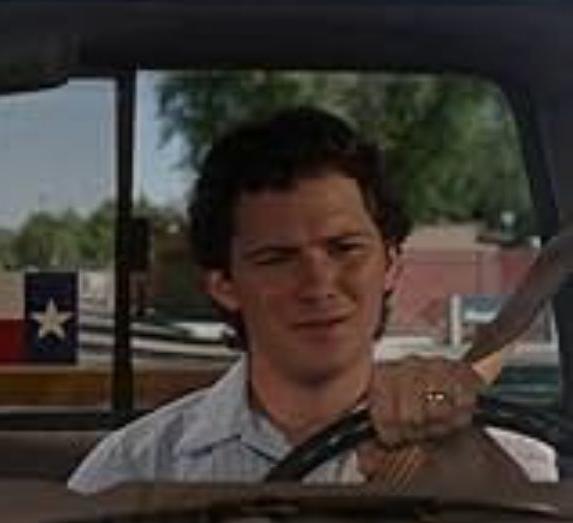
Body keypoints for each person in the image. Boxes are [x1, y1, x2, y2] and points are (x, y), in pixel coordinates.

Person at [69, 107, 557, 493]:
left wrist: (451, 437)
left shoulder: (501, 450)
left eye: (344, 249)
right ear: (224, 284)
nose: (319, 283)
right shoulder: (134, 468)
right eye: (278, 258)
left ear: (391, 264)